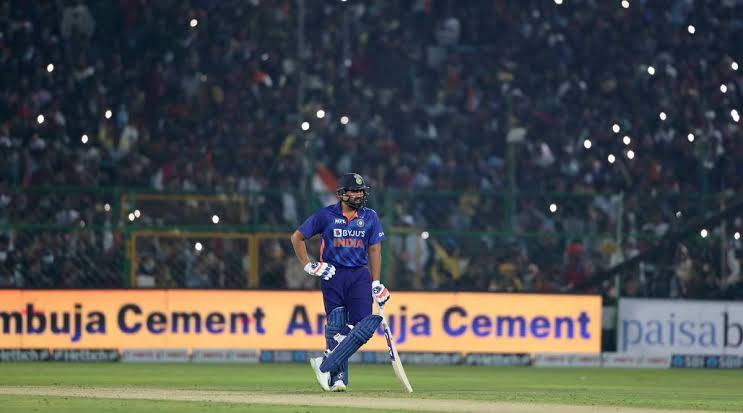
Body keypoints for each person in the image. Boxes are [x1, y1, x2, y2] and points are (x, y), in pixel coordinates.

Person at [290, 173, 391, 392]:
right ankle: (338, 377)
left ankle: (325, 361)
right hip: (332, 275)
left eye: (361, 191)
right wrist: (309, 265)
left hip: (359, 276)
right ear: (342, 194)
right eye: (354, 191)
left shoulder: (370, 217)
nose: (359, 195)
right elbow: (297, 237)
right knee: (336, 324)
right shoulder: (326, 215)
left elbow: (375, 250)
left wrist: (376, 282)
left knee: (365, 324)